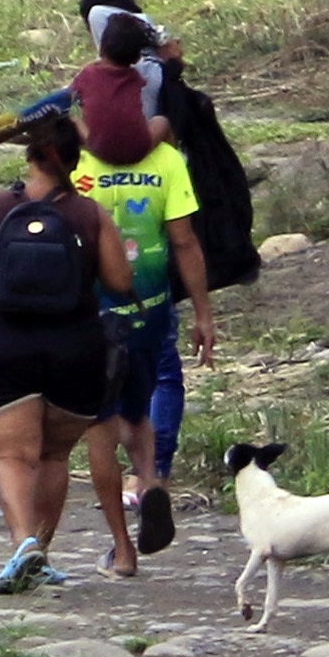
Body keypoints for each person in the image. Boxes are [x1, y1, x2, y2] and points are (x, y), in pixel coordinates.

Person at [0, 110, 137, 592]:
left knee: (11, 454)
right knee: (52, 454)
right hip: (75, 347)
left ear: (29, 156)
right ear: (74, 160)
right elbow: (119, 283)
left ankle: (23, 542)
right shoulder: (90, 214)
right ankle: (41, 553)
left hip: (2, 342)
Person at [76, 97, 220, 559]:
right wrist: (203, 312)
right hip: (152, 307)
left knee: (100, 425)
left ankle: (122, 552)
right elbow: (183, 240)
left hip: (93, 312)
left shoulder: (78, 162)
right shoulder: (167, 159)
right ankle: (151, 480)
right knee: (140, 409)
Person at [72, 9, 175, 167]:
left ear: (101, 47)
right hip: (137, 151)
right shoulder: (136, 78)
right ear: (137, 57)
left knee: (72, 118)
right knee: (162, 121)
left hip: (100, 151)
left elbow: (70, 96)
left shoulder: (88, 74)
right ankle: (171, 164)